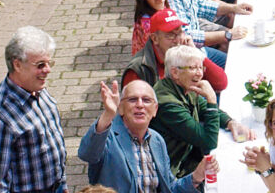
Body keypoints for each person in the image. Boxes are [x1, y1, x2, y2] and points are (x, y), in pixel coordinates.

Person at [78, 79, 214, 193]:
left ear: (155, 110)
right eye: (132, 100)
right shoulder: (108, 136)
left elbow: (169, 188)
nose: (140, 105)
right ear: (121, 108)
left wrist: (196, 177)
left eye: (146, 100)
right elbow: (87, 154)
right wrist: (108, 115)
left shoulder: (157, 140)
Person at [0, 26, 67, 193]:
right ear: (17, 64)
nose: (47, 70)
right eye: (40, 65)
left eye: (49, 63)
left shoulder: (38, 90)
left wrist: (62, 184)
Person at [151, 46, 253, 176]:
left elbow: (204, 108)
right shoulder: (168, 105)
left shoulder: (183, 86)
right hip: (173, 171)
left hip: (188, 156)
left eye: (200, 68)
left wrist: (230, 122)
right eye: (193, 68)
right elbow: (209, 142)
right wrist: (211, 99)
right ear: (175, 72)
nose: (199, 73)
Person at [125, 7, 228, 93]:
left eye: (179, 33)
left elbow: (221, 83)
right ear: (155, 39)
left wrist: (196, 53)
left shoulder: (183, 54)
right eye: (170, 35)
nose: (177, 40)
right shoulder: (138, 69)